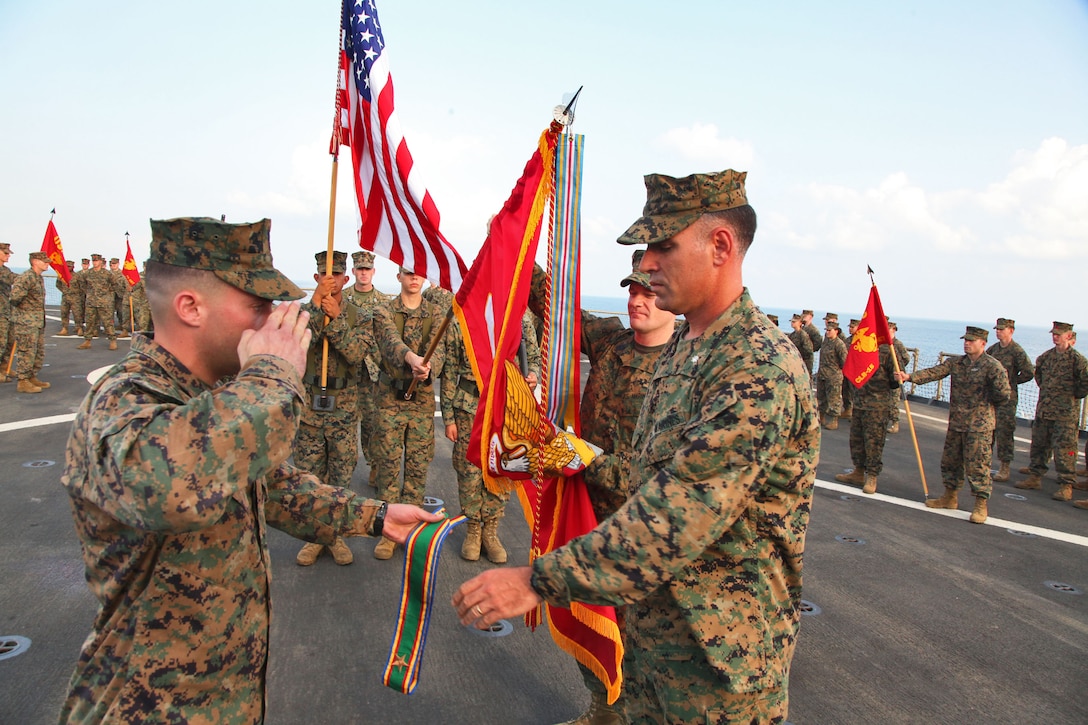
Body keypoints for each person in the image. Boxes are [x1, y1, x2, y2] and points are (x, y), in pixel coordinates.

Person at [453, 169, 818, 723]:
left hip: (717, 670)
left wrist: (537, 580)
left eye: (663, 246)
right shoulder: (686, 348)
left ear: (721, 246)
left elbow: (676, 515)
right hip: (652, 645)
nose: (646, 263)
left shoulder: (756, 366)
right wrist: (516, 247)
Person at [59, 216, 440, 723]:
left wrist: (372, 515)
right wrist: (274, 372)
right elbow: (168, 488)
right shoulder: (125, 399)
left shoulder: (212, 392)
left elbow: (270, 483)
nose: (272, 320)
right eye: (257, 306)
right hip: (147, 705)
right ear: (190, 307)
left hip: (223, 693)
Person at [526, 249, 677, 725]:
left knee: (643, 639)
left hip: (646, 529)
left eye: (649, 292)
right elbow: (553, 306)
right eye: (632, 289)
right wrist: (520, 245)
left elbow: (671, 478)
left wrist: (589, 459)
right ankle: (602, 707)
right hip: (589, 515)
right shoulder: (612, 340)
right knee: (590, 614)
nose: (638, 300)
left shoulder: (687, 371)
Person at [441, 307, 539, 565]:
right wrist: (448, 417)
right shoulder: (466, 312)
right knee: (469, 469)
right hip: (468, 405)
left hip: (505, 406)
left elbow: (534, 357)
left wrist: (532, 377)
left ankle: (491, 531)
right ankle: (473, 529)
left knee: (500, 468)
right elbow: (450, 368)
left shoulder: (519, 314)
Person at [294, 250, 374, 567]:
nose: (331, 281)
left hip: (343, 410)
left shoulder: (359, 315)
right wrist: (317, 308)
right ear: (316, 279)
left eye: (337, 276)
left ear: (346, 277)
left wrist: (337, 319)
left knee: (340, 478)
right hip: (311, 409)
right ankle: (316, 537)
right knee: (310, 478)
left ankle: (335, 536)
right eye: (324, 276)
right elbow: (300, 342)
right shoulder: (303, 312)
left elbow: (355, 353)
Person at [370, 266, 446, 559]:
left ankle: (411, 528)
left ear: (424, 279)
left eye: (419, 274)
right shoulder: (384, 310)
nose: (414, 278)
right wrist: (411, 358)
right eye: (408, 273)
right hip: (390, 398)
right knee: (388, 465)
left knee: (416, 466)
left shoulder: (437, 314)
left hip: (421, 401)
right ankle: (388, 528)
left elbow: (439, 351)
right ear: (398, 276)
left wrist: (427, 368)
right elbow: (389, 341)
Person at [897, 326, 1011, 523]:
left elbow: (1003, 395)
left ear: (982, 343)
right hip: (957, 422)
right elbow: (936, 372)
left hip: (979, 426)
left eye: (971, 340)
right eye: (965, 340)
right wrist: (910, 377)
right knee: (950, 461)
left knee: (978, 466)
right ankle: (950, 496)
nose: (967, 343)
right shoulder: (957, 363)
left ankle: (980, 503)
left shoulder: (993, 367)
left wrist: (985, 407)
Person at [1014, 321, 1088, 501]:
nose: (1055, 336)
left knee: (1065, 450)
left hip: (1065, 414)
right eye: (1053, 333)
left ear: (1069, 336)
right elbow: (1039, 377)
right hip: (1045, 410)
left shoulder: (1078, 361)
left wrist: (1071, 397)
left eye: (1059, 334)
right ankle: (1035, 476)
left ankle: (1066, 484)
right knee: (1039, 445)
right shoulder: (1045, 358)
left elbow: (1084, 384)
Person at [343, 250, 393, 488]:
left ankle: (374, 465)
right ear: (353, 271)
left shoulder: (384, 302)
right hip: (348, 370)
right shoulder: (342, 299)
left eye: (367, 269)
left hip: (373, 373)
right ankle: (343, 468)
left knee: (373, 423)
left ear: (373, 272)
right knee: (345, 422)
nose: (363, 273)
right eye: (359, 269)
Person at [836, 333, 899, 494]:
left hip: (878, 406)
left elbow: (895, 381)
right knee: (856, 439)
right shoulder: (861, 347)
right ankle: (858, 471)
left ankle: (872, 475)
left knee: (874, 443)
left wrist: (896, 378)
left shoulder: (888, 352)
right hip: (860, 402)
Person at [986, 318, 1034, 482]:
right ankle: (984, 464)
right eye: (997, 329)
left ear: (1011, 330)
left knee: (1005, 433)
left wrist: (1011, 382)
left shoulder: (1017, 351)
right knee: (988, 431)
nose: (998, 332)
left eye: (1002, 329)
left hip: (1007, 399)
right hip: (992, 397)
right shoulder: (993, 350)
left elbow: (1028, 372)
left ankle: (1004, 467)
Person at [10, 251, 51, 393]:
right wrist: (25, 312)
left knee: (37, 351)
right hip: (26, 322)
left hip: (37, 322)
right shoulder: (26, 277)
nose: (47, 264)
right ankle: (23, 381)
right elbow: (14, 298)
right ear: (35, 262)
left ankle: (31, 376)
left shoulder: (38, 278)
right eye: (44, 261)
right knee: (26, 351)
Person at [77, 254, 120, 350]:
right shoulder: (88, 273)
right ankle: (87, 341)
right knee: (90, 322)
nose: (95, 263)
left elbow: (115, 284)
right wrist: (89, 293)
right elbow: (82, 283)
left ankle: (112, 340)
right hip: (91, 302)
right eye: (93, 261)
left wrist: (107, 294)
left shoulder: (107, 273)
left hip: (104, 302)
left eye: (96, 261)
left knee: (107, 322)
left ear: (101, 262)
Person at [816, 320, 848, 429]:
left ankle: (834, 421)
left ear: (836, 331)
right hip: (822, 375)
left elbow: (844, 362)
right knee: (821, 398)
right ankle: (821, 417)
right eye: (826, 330)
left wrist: (836, 372)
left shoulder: (839, 345)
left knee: (834, 399)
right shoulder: (826, 342)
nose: (827, 332)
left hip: (833, 376)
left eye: (830, 331)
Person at [840, 318, 860, 419]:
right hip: (847, 369)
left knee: (855, 392)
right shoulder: (847, 340)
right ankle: (847, 409)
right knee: (845, 390)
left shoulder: (861, 341)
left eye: (852, 327)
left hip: (856, 370)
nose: (850, 329)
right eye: (850, 327)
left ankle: (855, 412)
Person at [0, 242, 14, 383]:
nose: (8, 255)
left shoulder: (5, 269)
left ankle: (4, 366)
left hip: (5, 311)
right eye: (5, 253)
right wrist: (31, 274)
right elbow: (12, 279)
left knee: (8, 341)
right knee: (1, 342)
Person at [109, 256, 131, 336]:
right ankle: (109, 327)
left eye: (115, 264)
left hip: (120, 296)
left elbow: (126, 285)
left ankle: (122, 324)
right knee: (109, 312)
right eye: (112, 264)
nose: (114, 265)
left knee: (121, 311)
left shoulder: (122, 274)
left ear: (118, 264)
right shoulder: (107, 273)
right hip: (110, 296)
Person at [70, 257, 91, 336]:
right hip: (79, 296)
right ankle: (79, 326)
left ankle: (91, 328)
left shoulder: (91, 273)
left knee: (89, 312)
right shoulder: (77, 274)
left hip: (89, 295)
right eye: (83, 264)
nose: (84, 266)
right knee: (79, 311)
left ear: (88, 265)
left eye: (86, 264)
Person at [57, 259, 76, 335]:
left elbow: (82, 286)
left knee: (77, 314)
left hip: (75, 298)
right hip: (65, 297)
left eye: (70, 266)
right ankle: (64, 328)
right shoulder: (62, 276)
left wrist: (76, 293)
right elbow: (58, 284)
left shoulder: (77, 276)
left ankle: (79, 328)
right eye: (67, 266)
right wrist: (64, 291)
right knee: (64, 313)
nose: (68, 268)